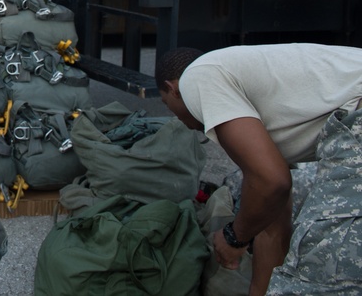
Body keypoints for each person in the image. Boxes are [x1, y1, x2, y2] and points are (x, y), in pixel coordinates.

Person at [155, 44, 362, 296]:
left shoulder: (196, 77)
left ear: (172, 88)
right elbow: (272, 224)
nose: (181, 123)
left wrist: (234, 236)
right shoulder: (256, 112)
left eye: (167, 106)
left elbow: (272, 182)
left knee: (322, 271)